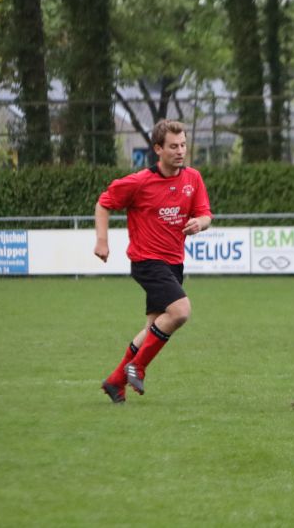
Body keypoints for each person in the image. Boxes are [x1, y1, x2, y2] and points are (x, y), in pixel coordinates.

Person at [95, 119, 212, 403]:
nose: (180, 151)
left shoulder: (193, 178)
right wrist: (102, 241)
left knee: (153, 328)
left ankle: (115, 381)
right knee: (180, 311)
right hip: (147, 261)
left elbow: (206, 215)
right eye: (173, 146)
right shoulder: (139, 182)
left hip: (174, 263)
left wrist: (199, 223)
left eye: (183, 145)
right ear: (158, 149)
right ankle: (137, 367)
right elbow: (104, 203)